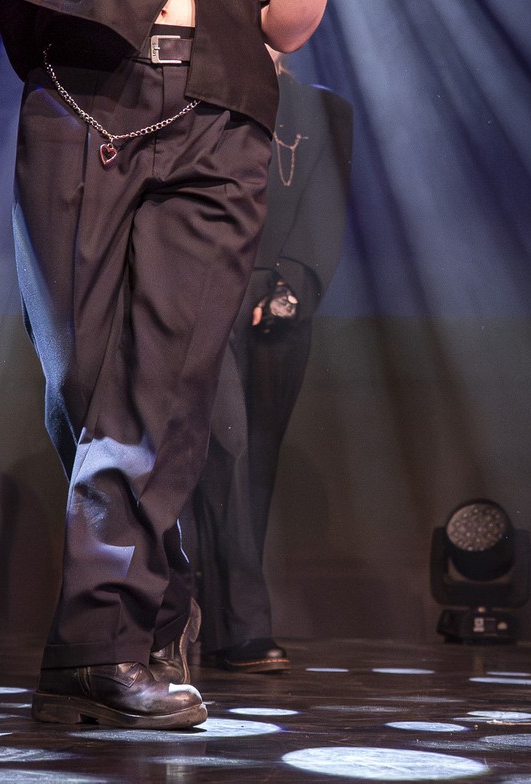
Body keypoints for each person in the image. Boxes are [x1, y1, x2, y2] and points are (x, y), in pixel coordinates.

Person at [0, 0, 369, 729]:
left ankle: (106, 640)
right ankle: (141, 599)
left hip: (222, 122)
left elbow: (287, 24)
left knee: (161, 391)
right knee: (83, 381)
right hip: (90, 101)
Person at [186, 50, 353, 673]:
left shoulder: (323, 110)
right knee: (218, 453)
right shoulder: (201, 92)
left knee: (254, 462)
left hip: (277, 293)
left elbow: (326, 205)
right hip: (204, 287)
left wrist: (292, 286)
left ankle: (227, 624)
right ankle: (233, 623)